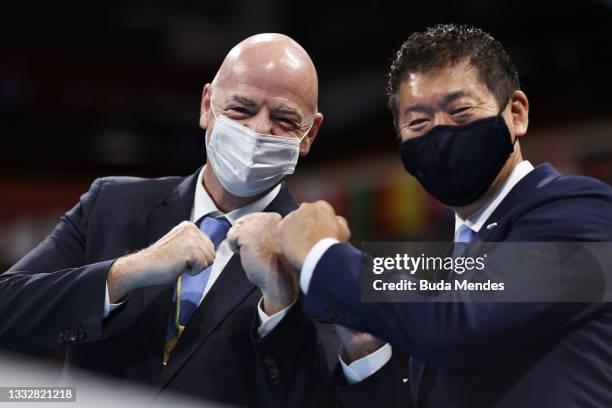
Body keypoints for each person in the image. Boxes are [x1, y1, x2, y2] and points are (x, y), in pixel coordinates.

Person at [238, 25, 612, 406]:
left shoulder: (582, 212)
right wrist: (365, 351)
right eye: (418, 123)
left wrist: (320, 252)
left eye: (460, 111)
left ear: (516, 113)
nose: (441, 133)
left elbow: (455, 326)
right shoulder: (450, 274)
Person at [0, 33, 341, 407]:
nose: (258, 130)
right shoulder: (110, 203)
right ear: (207, 105)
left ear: (311, 134)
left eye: (284, 118)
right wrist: (126, 272)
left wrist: (280, 299)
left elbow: (323, 397)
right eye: (242, 108)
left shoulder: (321, 254)